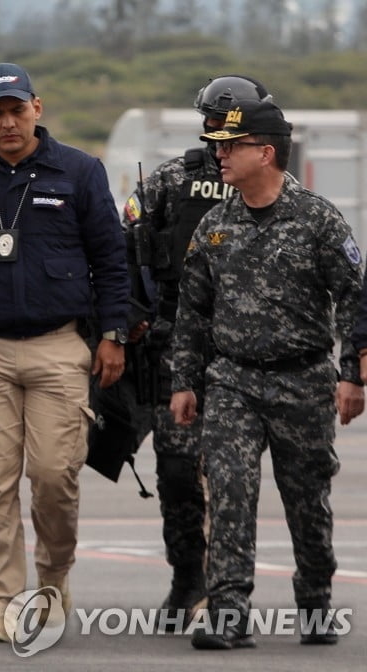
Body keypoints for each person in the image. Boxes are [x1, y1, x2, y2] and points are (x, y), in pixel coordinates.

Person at [0, 63, 130, 643]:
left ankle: (53, 575)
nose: (8, 122)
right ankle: (3, 601)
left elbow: (111, 258)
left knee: (53, 476)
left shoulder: (80, 172)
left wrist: (113, 334)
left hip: (58, 346)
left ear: (37, 109)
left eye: (18, 110)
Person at [170, 99, 364, 650]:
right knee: (229, 490)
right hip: (232, 381)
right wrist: (185, 380)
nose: (220, 154)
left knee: (307, 499)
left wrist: (352, 374)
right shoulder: (214, 224)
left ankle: (315, 600)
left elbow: (354, 298)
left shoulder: (318, 219)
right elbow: (193, 311)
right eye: (218, 146)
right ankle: (228, 612)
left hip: (303, 381)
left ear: (266, 152)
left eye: (232, 146)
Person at [120, 75, 272, 627]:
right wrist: (129, 321)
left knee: (232, 479)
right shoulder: (171, 180)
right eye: (211, 121)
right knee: (179, 474)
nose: (219, 133)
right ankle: (187, 578)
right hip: (174, 352)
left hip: (245, 355)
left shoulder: (268, 184)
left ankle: (229, 589)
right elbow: (127, 246)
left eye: (229, 122)